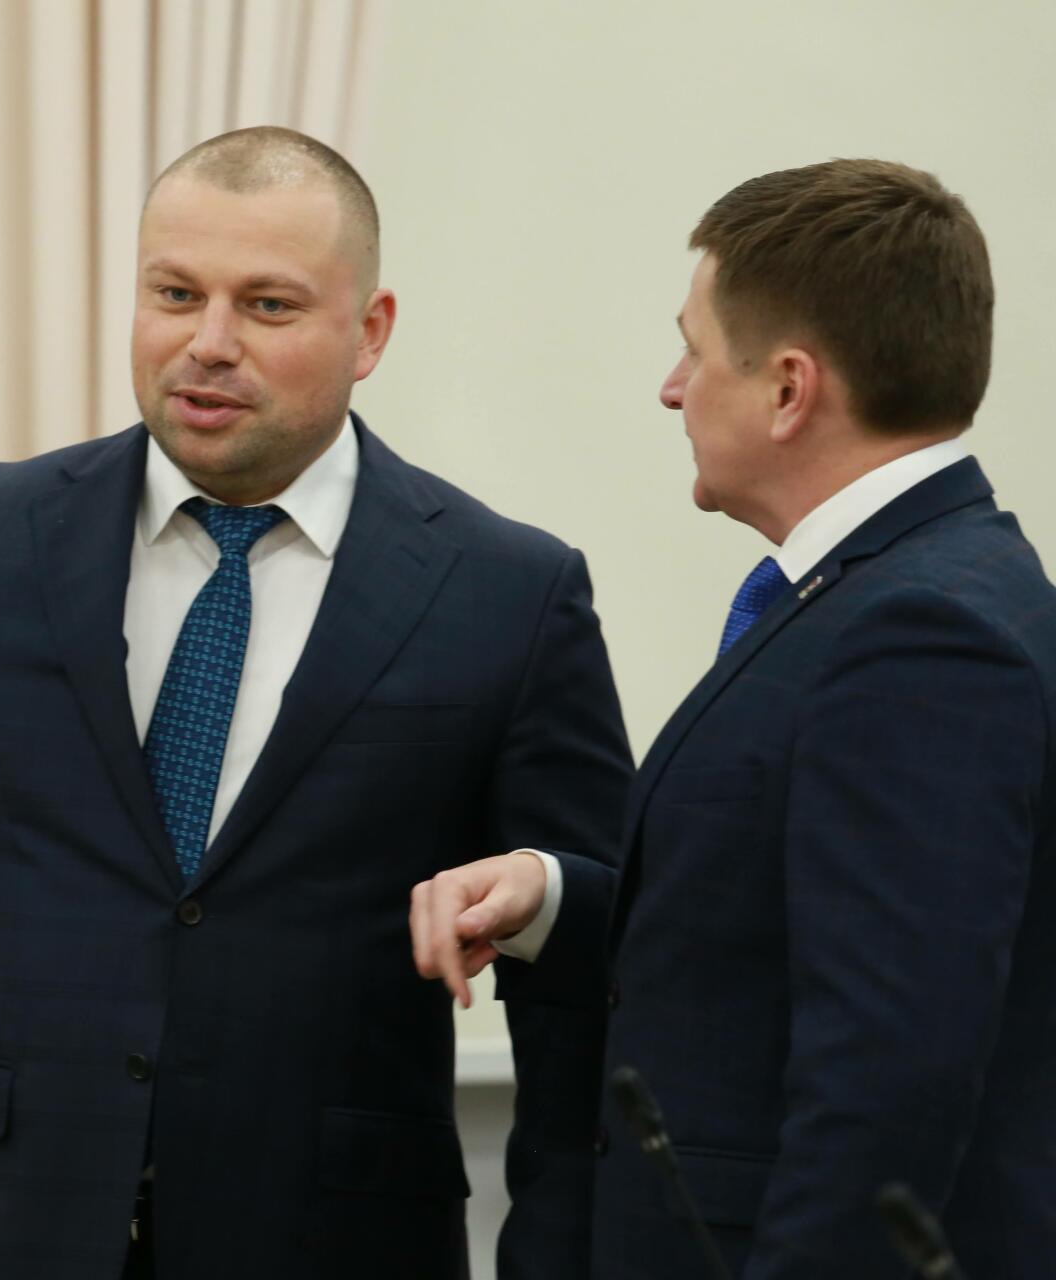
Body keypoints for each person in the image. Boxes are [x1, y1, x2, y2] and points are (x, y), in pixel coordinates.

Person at [0, 126, 632, 1279]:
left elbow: (605, 947)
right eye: (175, 293)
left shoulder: (505, 591)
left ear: (370, 331)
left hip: (335, 1238)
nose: (208, 343)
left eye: (267, 305)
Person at [410, 158, 1056, 1277]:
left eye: (695, 350)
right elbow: (780, 932)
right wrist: (553, 899)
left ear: (789, 389)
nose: (672, 389)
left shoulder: (923, 635)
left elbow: (886, 1074)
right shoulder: (884, 590)